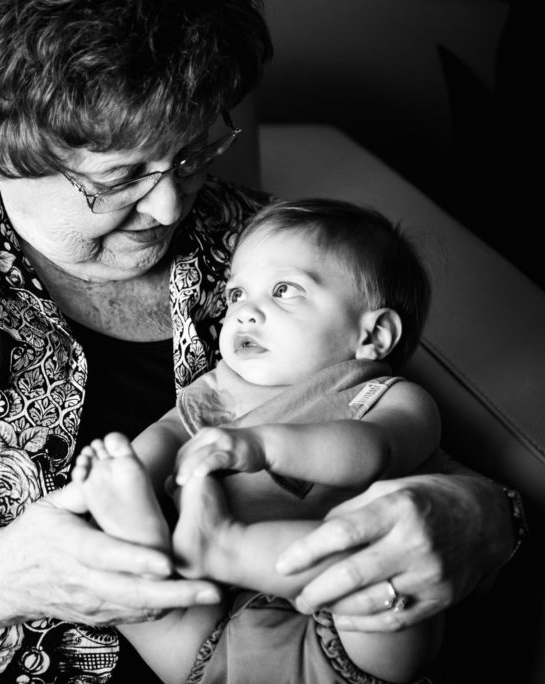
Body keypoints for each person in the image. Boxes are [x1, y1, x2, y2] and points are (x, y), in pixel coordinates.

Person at [0, 1, 526, 682]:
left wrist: (481, 517)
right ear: (1, 144)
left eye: (195, 156)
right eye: (122, 178)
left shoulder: (254, 240)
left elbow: (373, 422)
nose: (170, 210)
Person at [68, 198, 443, 684]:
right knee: (137, 595)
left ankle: (224, 547)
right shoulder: (220, 389)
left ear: (373, 336)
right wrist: (129, 470)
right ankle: (139, 534)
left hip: (337, 635)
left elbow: (374, 451)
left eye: (284, 290)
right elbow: (168, 432)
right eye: (237, 295)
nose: (245, 312)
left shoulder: (387, 397)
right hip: (215, 636)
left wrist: (266, 446)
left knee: (385, 574)